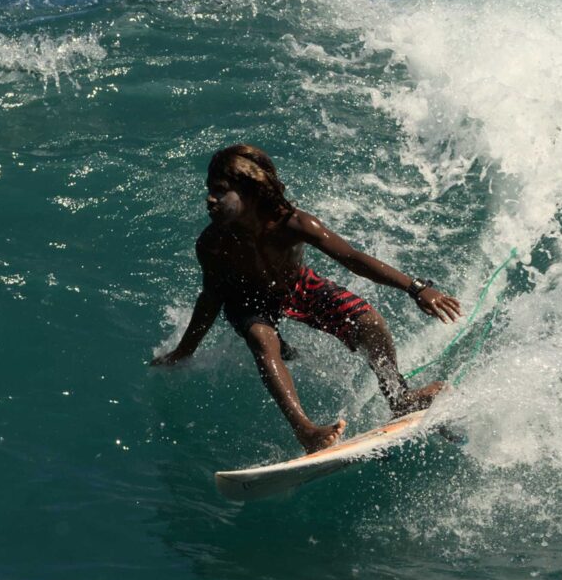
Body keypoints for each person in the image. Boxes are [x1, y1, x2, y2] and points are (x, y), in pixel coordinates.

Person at [151, 144, 462, 453]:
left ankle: (400, 397)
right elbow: (210, 298)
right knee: (262, 339)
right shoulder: (213, 244)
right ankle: (306, 429)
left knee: (368, 321)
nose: (210, 199)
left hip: (297, 286)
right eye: (209, 190)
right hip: (245, 299)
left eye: (220, 191)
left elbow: (352, 258)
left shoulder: (293, 223)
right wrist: (184, 349)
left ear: (251, 192)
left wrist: (417, 288)